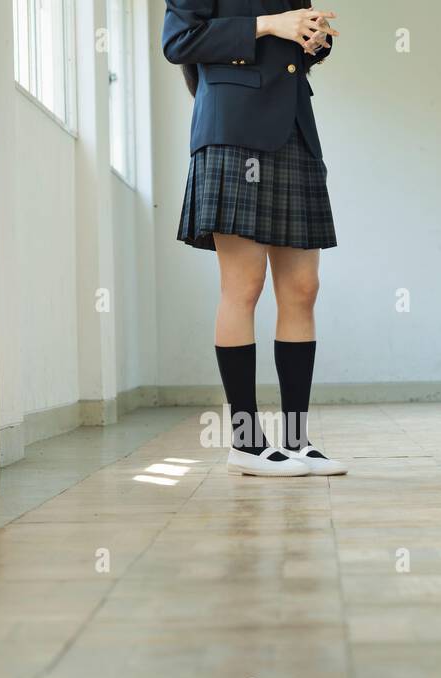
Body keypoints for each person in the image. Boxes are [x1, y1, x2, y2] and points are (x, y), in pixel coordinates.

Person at [163, 0, 347, 477]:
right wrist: (270, 24)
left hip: (294, 129)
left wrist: (313, 40)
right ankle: (245, 442)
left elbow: (290, 50)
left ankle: (296, 439)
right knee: (243, 287)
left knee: (303, 288)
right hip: (232, 128)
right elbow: (179, 41)